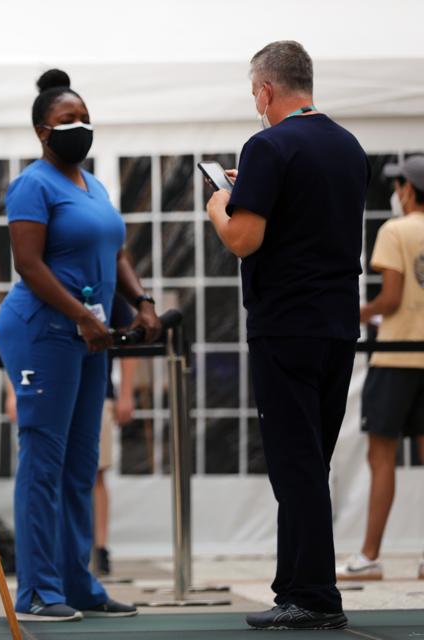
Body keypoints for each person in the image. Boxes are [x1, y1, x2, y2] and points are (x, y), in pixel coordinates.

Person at [205, 41, 368, 630]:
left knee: (294, 464)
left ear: (267, 90)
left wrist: (221, 204)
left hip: (285, 324)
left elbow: (244, 238)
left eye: (255, 93)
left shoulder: (268, 145)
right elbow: (311, 213)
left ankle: (315, 596)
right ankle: (295, 584)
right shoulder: (348, 146)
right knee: (311, 460)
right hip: (337, 322)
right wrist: (254, 185)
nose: (255, 102)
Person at [0, 68, 160, 622]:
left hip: (91, 335)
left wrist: (142, 302)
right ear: (43, 131)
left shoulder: (97, 187)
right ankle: (37, 591)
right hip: (44, 329)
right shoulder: (32, 185)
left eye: (85, 117)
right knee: (43, 459)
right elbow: (28, 264)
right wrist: (80, 318)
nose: (80, 127)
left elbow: (115, 255)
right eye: (68, 120)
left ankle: (78, 582)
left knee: (81, 463)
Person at [338, 156, 424, 582]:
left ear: (408, 189)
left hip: (396, 355)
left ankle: (370, 554)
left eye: (399, 185)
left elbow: (390, 299)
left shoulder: (395, 230)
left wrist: (361, 312)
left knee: (381, 456)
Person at [93, 295, 138, 576]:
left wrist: (126, 394)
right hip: (55, 392)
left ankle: (100, 547)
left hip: (100, 393)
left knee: (96, 473)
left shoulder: (109, 290)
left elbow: (130, 342)